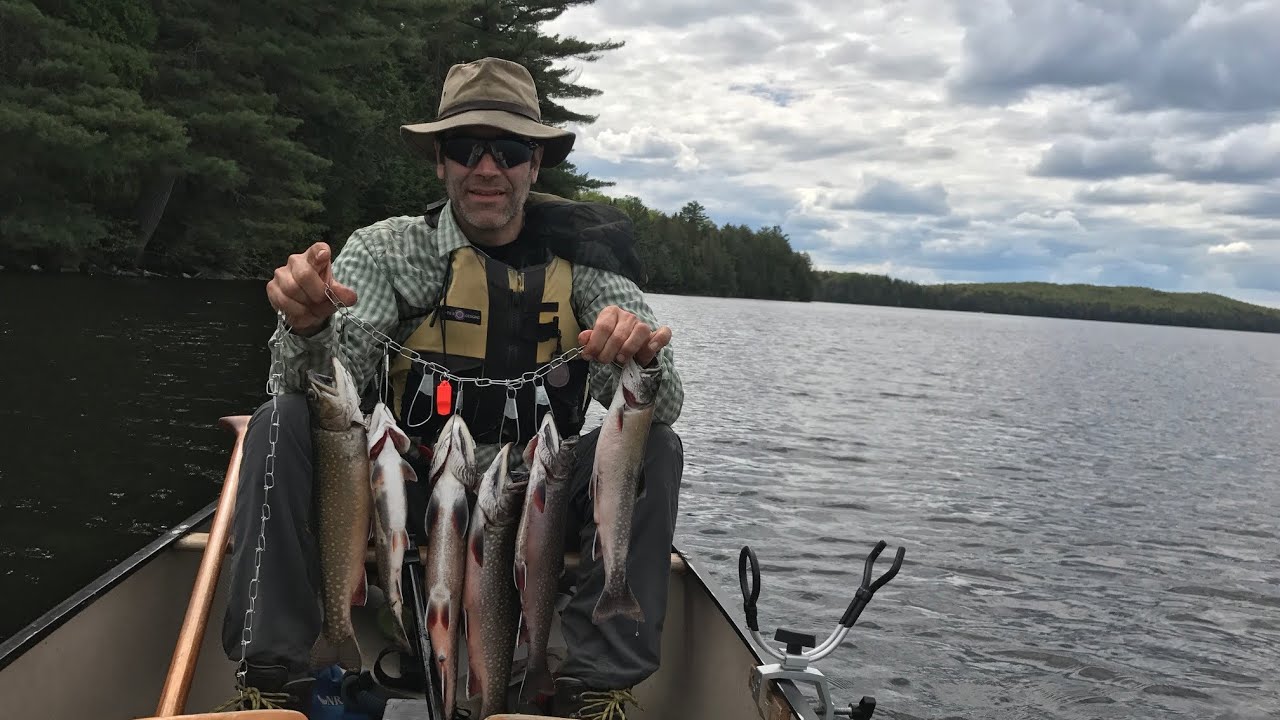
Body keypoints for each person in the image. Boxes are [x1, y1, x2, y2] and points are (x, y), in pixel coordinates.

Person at [220, 57, 685, 720]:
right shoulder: (388, 253)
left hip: (536, 493)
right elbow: (313, 385)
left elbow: (665, 405)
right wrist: (308, 327)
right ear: (440, 161)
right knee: (283, 419)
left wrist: (639, 358)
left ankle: (596, 688)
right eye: (466, 148)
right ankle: (271, 678)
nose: (487, 168)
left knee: (656, 447)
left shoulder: (588, 264)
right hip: (403, 485)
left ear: (535, 164)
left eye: (510, 149)